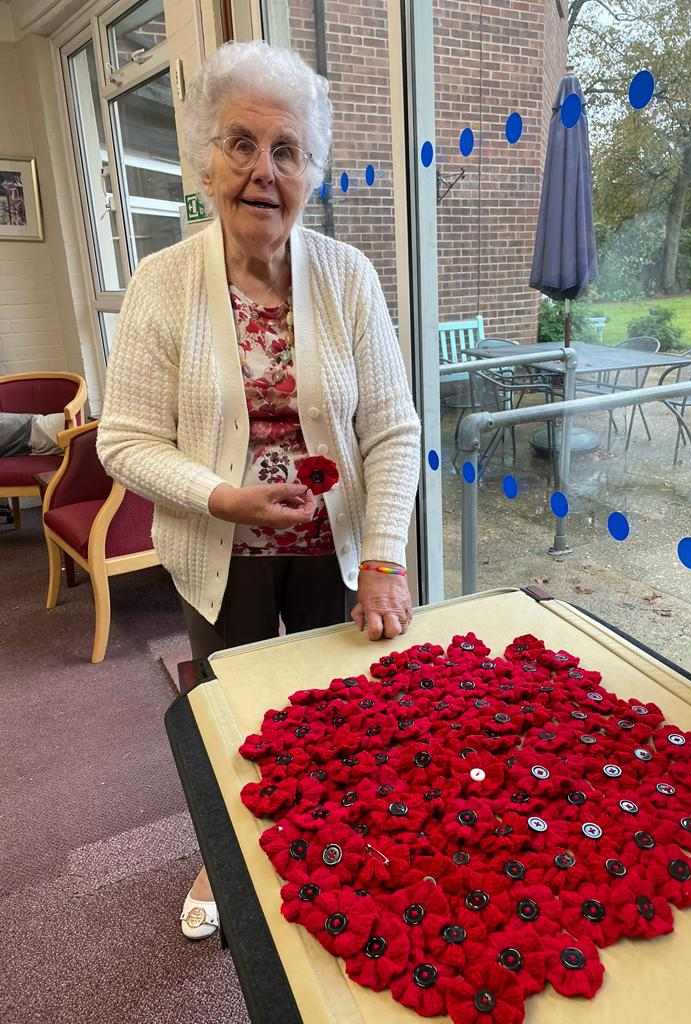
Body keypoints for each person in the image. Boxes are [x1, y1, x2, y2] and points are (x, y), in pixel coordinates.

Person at [97, 40, 421, 940]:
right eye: (241, 143)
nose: (262, 172)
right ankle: (229, 847)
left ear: (313, 169)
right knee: (236, 717)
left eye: (287, 151)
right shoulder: (162, 286)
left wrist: (385, 556)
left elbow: (393, 428)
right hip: (221, 552)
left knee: (346, 717)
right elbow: (124, 442)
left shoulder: (348, 277)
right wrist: (221, 496)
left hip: (338, 544)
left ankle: (344, 844)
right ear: (206, 157)